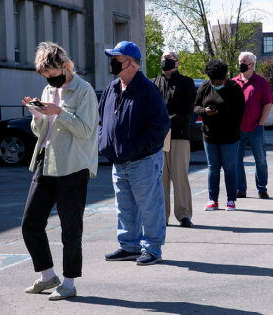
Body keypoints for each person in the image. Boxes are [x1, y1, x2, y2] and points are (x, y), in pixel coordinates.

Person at [21, 42, 99, 300]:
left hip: (73, 165)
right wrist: (37, 115)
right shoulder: (46, 89)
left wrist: (59, 112)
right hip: (47, 159)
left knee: (70, 228)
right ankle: (47, 276)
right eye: (46, 77)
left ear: (64, 66)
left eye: (53, 76)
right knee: (30, 223)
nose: (50, 81)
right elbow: (40, 131)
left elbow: (86, 131)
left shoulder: (84, 90)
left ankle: (69, 283)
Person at [99, 41, 170, 265]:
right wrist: (105, 144)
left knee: (150, 206)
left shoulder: (148, 89)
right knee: (124, 206)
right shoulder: (111, 88)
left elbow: (160, 126)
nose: (111, 63)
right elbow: (102, 121)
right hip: (119, 161)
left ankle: (153, 249)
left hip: (143, 160)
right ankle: (129, 246)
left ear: (129, 62)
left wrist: (137, 147)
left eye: (116, 59)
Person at [151, 51, 196, 228]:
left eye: (169, 59)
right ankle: (162, 215)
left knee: (180, 176)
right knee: (160, 179)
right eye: (163, 58)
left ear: (177, 63)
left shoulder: (187, 82)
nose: (165, 61)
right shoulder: (153, 83)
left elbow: (188, 107)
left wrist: (168, 120)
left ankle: (184, 215)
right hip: (159, 138)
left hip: (179, 134)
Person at [194, 59, 245, 211]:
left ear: (224, 78)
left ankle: (231, 200)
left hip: (230, 137)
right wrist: (205, 112)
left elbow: (240, 112)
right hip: (210, 136)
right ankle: (213, 200)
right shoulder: (204, 87)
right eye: (214, 81)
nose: (216, 84)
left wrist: (233, 129)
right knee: (213, 168)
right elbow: (195, 106)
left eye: (219, 81)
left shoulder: (235, 88)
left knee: (229, 168)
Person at [233, 52, 273, 199]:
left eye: (244, 61)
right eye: (240, 61)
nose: (241, 64)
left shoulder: (261, 82)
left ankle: (262, 188)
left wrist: (261, 123)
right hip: (237, 129)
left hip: (255, 127)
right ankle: (240, 189)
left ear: (252, 65)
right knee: (237, 160)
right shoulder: (233, 82)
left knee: (260, 159)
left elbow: (268, 103)